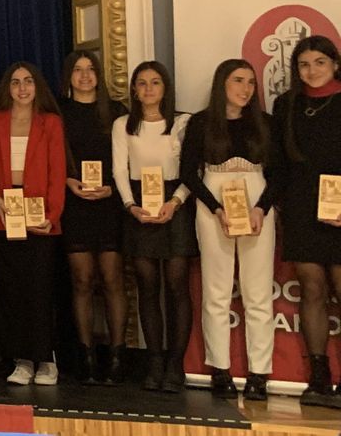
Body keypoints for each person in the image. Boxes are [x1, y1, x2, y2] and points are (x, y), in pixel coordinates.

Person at [182, 59, 275, 401]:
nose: (246, 89)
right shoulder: (201, 123)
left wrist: (260, 208)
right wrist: (216, 208)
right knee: (216, 289)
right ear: (222, 83)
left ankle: (258, 374)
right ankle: (219, 369)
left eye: (251, 82)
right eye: (238, 81)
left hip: (256, 204)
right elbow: (188, 172)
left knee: (258, 292)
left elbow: (278, 173)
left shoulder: (264, 123)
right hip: (212, 205)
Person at [0, 62, 67, 387]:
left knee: (39, 290)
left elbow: (57, 173)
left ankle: (46, 359)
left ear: (37, 86)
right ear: (7, 88)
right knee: (10, 291)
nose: (22, 88)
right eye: (15, 83)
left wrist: (51, 216)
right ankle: (22, 360)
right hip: (3, 215)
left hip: (40, 215)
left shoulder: (50, 123)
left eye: (28, 82)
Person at [111, 61, 195, 392]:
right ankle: (154, 361)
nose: (148, 89)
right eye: (142, 83)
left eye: (155, 82)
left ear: (165, 88)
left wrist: (174, 203)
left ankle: (176, 364)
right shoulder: (123, 125)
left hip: (175, 203)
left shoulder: (183, 122)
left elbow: (193, 170)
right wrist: (130, 205)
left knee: (176, 285)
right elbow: (119, 169)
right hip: (137, 206)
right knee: (147, 286)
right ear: (134, 89)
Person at [268, 36, 341, 407]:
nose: (311, 71)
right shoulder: (287, 105)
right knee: (311, 290)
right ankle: (319, 376)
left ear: (334, 64)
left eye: (319, 63)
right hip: (301, 207)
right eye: (303, 64)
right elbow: (279, 162)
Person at [58, 50, 128, 384]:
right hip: (75, 203)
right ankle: (85, 356)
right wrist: (67, 181)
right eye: (78, 70)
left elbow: (131, 162)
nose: (85, 76)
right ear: (68, 76)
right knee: (82, 280)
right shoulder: (57, 113)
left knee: (113, 279)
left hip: (110, 203)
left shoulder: (117, 113)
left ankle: (117, 357)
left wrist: (112, 189)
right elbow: (51, 159)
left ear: (99, 75)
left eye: (90, 70)